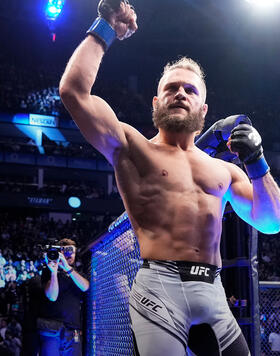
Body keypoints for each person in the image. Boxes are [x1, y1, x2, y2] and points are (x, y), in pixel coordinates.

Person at [59, 1, 280, 354]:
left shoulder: (226, 171)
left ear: (203, 110)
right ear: (156, 102)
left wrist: (257, 163)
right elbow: (73, 93)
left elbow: (271, 222)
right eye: (171, 88)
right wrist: (105, 26)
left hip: (213, 290)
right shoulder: (131, 147)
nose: (180, 93)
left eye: (190, 90)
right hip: (158, 288)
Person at [37, 238, 89, 356]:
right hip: (51, 327)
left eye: (72, 251)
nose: (69, 254)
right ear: (60, 252)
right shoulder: (48, 272)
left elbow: (85, 287)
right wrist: (54, 272)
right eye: (65, 251)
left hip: (72, 328)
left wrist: (67, 269)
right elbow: (52, 296)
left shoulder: (78, 274)